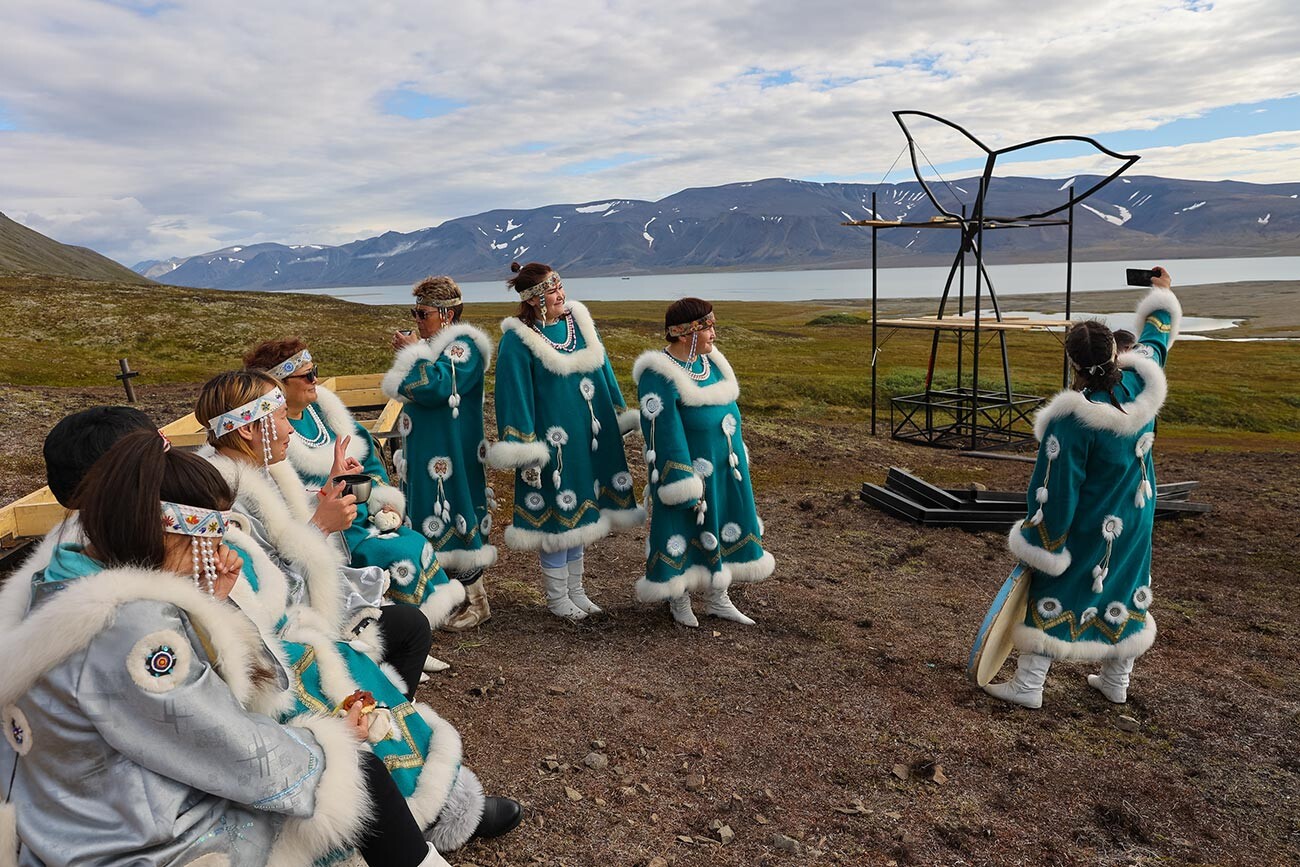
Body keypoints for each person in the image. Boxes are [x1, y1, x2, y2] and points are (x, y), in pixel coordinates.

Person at [0, 428, 448, 866]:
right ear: (171, 532)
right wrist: (328, 744)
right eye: (210, 536)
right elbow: (228, 743)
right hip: (136, 836)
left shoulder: (66, 582)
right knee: (355, 771)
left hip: (69, 814)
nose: (216, 551)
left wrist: (209, 605)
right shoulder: (140, 635)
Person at [195, 371, 524, 848]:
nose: (290, 427)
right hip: (278, 647)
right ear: (248, 429)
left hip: (306, 619)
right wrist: (320, 528)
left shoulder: (259, 472)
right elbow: (257, 595)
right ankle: (408, 812)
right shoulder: (219, 497)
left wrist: (325, 500)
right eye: (281, 417)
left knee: (407, 626)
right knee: (357, 667)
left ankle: (414, 790)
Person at [984, 267, 1181, 709]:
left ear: (1074, 364)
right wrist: (1161, 290)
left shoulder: (1071, 421)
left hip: (1091, 522)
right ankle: (1116, 681)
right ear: (1115, 351)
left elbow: (1054, 492)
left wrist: (1043, 546)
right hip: (1136, 514)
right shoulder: (1143, 378)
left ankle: (1029, 685)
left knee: (1059, 588)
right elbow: (1157, 333)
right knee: (1127, 584)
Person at [245, 339, 466, 634]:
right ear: (279, 384)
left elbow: (367, 456)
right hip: (330, 527)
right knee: (399, 553)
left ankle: (416, 633)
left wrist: (381, 498)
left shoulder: (325, 412)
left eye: (316, 372)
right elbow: (287, 497)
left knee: (414, 541)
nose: (316, 381)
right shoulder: (272, 434)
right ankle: (397, 636)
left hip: (362, 512)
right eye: (307, 375)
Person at [488, 261, 643, 620]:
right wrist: (524, 447)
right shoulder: (518, 339)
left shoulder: (580, 323)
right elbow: (514, 395)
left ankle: (577, 590)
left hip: (588, 437)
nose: (561, 295)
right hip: (551, 442)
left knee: (582, 512)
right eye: (552, 291)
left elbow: (603, 371)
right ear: (534, 299)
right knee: (558, 514)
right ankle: (558, 598)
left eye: (560, 288)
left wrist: (616, 415)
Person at [632, 298, 774, 626]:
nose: (714, 333)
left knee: (723, 521)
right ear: (685, 334)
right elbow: (662, 430)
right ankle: (678, 598)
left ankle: (717, 597)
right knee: (681, 525)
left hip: (725, 466)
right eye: (707, 327)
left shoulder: (714, 363)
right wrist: (681, 478)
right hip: (686, 471)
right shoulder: (659, 374)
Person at [383, 276, 498, 631]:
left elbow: (434, 387)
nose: (417, 320)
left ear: (447, 314)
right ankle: (446, 595)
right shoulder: (436, 346)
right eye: (414, 312)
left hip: (451, 450)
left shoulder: (464, 347)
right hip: (428, 448)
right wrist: (415, 352)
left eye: (423, 313)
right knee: (429, 510)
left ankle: (477, 601)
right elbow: (407, 386)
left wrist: (413, 352)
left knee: (455, 508)